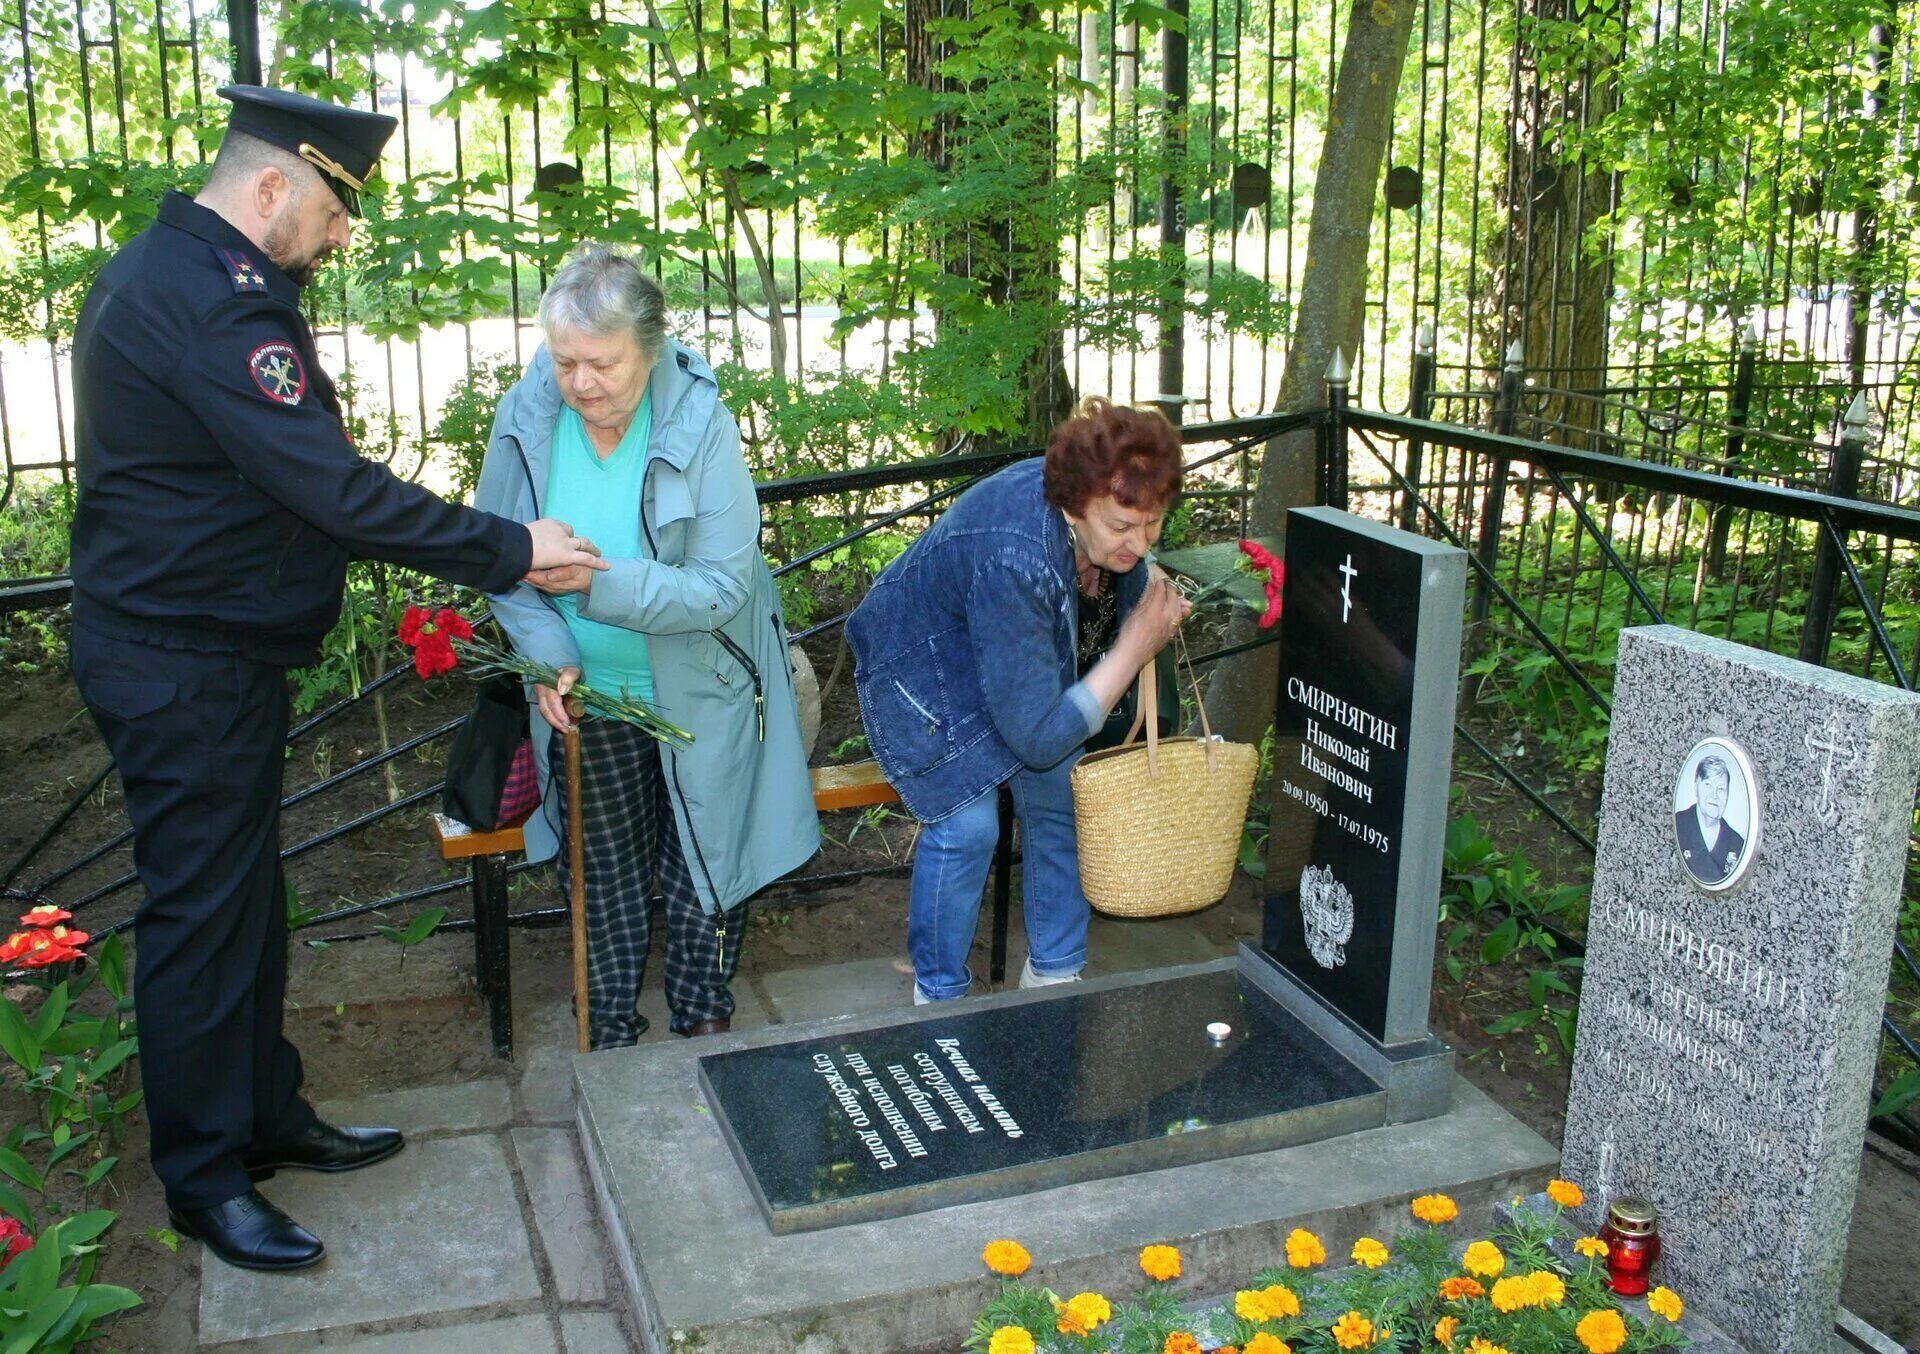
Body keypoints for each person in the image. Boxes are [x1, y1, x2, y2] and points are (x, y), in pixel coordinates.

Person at [68, 85, 609, 1274]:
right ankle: (206, 1178)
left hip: (197, 650)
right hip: (183, 663)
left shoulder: (162, 269)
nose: (341, 233)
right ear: (269, 188)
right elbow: (334, 490)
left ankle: (263, 1113)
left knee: (241, 902)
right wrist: (514, 545)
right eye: (330, 207)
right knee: (201, 921)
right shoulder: (217, 310)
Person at [474, 244, 820, 1050]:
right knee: (603, 873)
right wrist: (546, 649)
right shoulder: (528, 412)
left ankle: (704, 1012)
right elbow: (497, 557)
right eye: (565, 362)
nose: (581, 383)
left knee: (704, 851)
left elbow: (723, 588)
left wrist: (595, 584)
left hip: (701, 681)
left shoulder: (699, 422)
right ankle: (610, 1030)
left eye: (602, 363)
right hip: (588, 690)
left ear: (651, 347)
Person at [846, 398, 1190, 1003]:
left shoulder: (1101, 531)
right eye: (1120, 527)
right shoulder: (1016, 553)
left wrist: (1147, 573)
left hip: (1013, 663)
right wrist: (1133, 650)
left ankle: (1054, 977)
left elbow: (1040, 720)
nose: (1138, 543)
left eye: (1153, 524)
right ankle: (939, 998)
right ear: (1073, 503)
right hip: (922, 668)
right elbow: (1035, 735)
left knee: (1063, 791)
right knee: (968, 826)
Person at [1676, 753, 1746, 885]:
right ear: (1696, 787)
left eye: (1721, 789)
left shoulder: (1737, 844)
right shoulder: (1678, 824)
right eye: (1708, 785)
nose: (1714, 796)